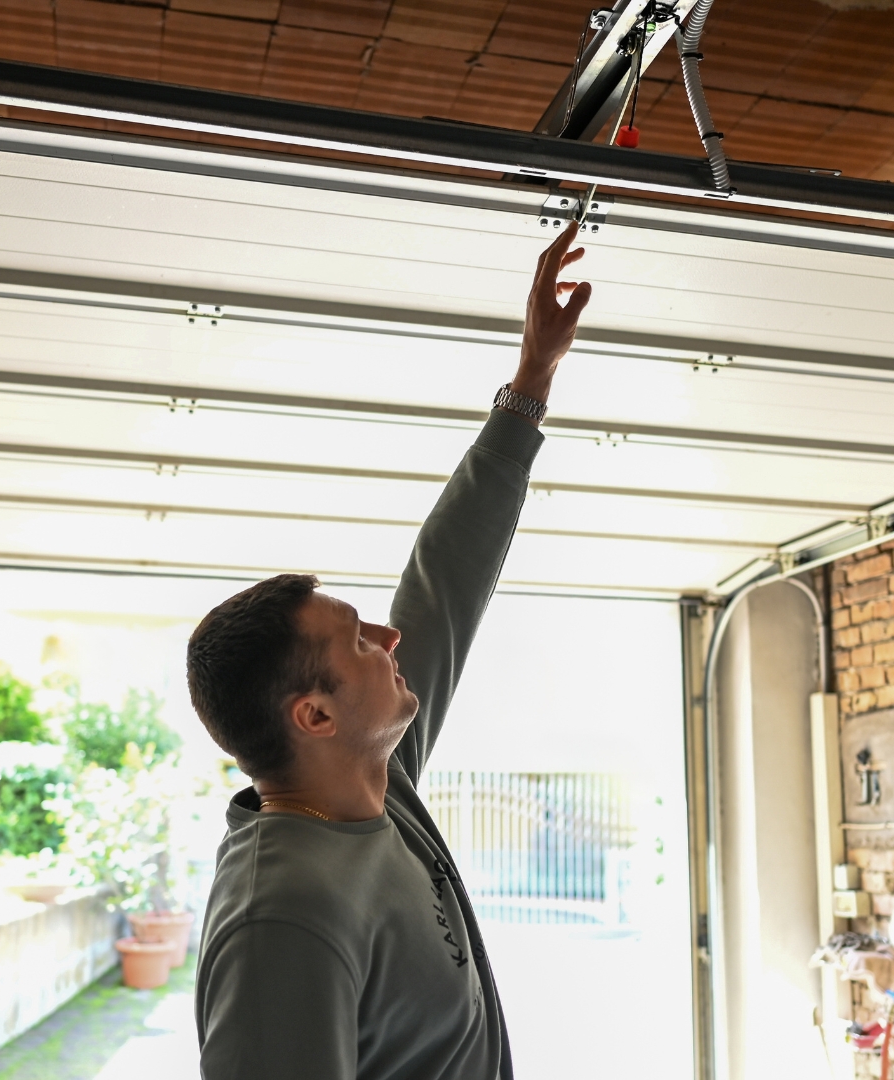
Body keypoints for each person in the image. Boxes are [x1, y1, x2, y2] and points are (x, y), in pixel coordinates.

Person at [184, 228, 593, 1080]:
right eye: (359, 639)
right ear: (317, 714)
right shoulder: (284, 912)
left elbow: (445, 581)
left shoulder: (377, 790)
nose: (392, 636)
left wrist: (532, 379)